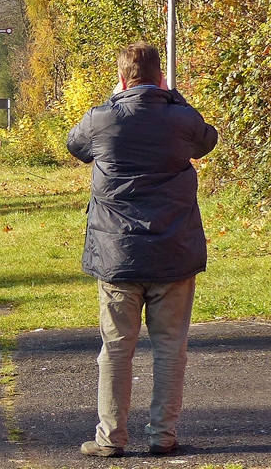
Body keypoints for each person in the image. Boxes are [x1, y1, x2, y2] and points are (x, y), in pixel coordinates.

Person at [66, 42, 218, 458]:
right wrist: (173, 97)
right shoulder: (181, 119)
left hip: (118, 256)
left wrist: (115, 99)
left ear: (121, 78)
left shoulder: (102, 119)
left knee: (116, 347)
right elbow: (208, 140)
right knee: (171, 347)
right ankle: (163, 436)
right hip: (173, 252)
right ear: (160, 78)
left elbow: (75, 146)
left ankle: (110, 439)